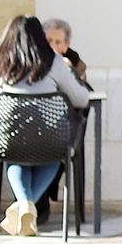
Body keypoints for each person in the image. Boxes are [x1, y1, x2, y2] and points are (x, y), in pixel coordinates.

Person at [0, 15, 91, 236]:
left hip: (8, 140)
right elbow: (81, 100)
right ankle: (26, 206)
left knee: (15, 160)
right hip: (51, 138)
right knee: (55, 161)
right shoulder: (54, 62)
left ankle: (24, 204)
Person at [38, 17, 90, 228]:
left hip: (61, 130)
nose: (52, 46)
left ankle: (35, 201)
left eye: (58, 42)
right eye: (48, 40)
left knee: (62, 149)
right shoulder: (32, 60)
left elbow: (83, 97)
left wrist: (73, 73)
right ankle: (36, 203)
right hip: (32, 129)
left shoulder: (71, 62)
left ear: (66, 45)